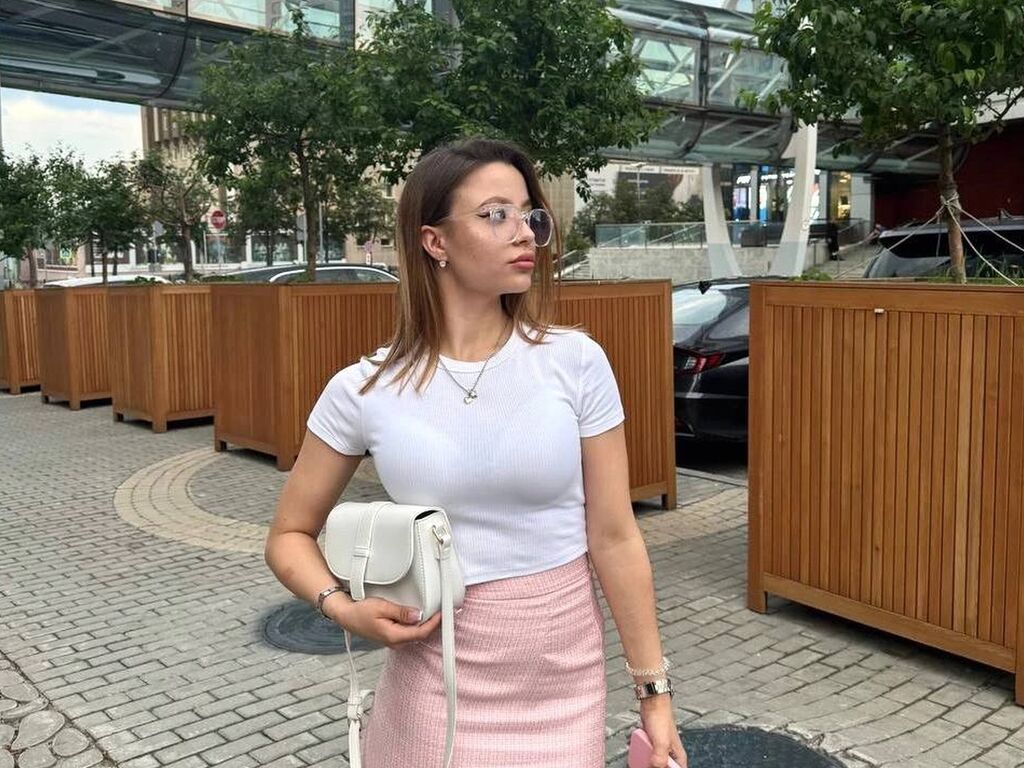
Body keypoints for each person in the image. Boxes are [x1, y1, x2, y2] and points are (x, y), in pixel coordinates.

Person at [264, 138, 686, 768]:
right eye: (495, 214)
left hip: (562, 677)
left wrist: (654, 693)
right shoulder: (365, 388)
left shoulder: (575, 362)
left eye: (530, 215)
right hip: (432, 677)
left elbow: (616, 537)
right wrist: (343, 608)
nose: (525, 232)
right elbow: (288, 535)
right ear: (434, 241)